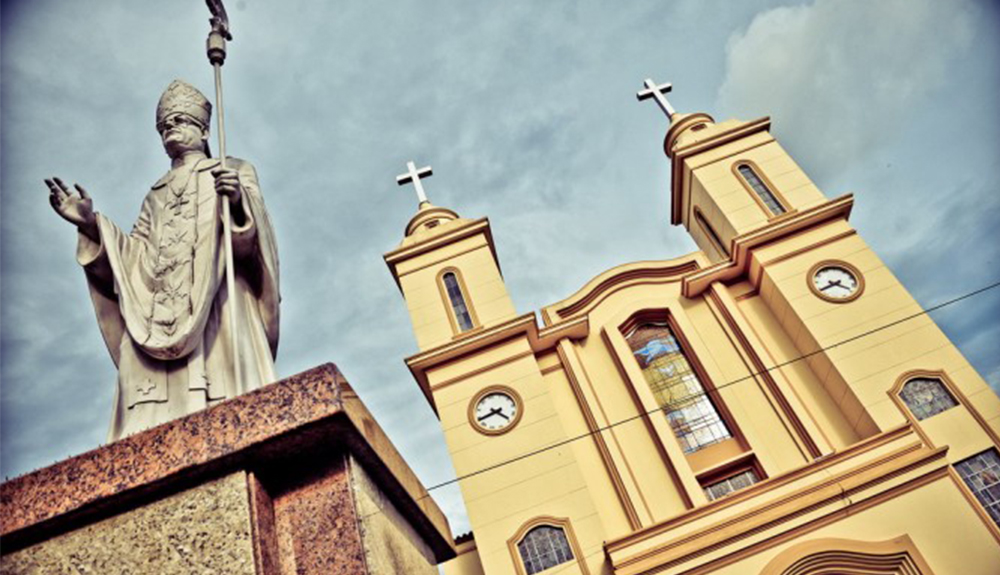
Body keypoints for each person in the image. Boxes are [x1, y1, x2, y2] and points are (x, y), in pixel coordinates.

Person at [45, 79, 280, 441]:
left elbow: (253, 247)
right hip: (160, 311)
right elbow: (134, 259)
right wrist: (92, 225)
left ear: (203, 131)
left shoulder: (232, 169)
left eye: (180, 121)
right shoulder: (156, 194)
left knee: (229, 404)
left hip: (219, 298)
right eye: (164, 125)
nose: (171, 128)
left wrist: (236, 203)